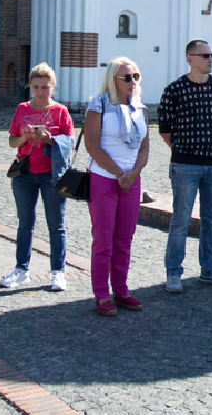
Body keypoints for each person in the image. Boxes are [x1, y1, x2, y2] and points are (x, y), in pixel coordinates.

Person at [159, 39, 212, 292]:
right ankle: (173, 272)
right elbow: (166, 130)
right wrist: (184, 151)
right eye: (204, 55)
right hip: (185, 165)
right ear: (190, 59)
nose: (210, 58)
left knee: (211, 220)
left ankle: (210, 270)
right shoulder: (174, 90)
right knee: (180, 220)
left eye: (211, 54)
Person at [84, 57, 150, 315]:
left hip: (130, 181)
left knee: (124, 238)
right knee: (103, 239)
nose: (132, 82)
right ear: (113, 80)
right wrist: (118, 172)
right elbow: (92, 145)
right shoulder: (98, 105)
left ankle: (121, 290)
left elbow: (144, 147)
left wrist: (133, 174)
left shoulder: (141, 109)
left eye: (135, 76)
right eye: (126, 77)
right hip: (103, 178)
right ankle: (102, 294)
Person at [0, 62, 74, 293]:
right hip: (25, 173)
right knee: (25, 223)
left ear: (53, 87)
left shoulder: (60, 111)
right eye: (36, 87)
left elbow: (69, 142)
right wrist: (24, 137)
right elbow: (12, 141)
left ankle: (58, 272)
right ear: (29, 87)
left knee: (56, 224)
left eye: (45, 87)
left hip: (51, 174)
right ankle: (22, 269)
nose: (41, 92)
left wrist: (49, 139)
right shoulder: (22, 109)